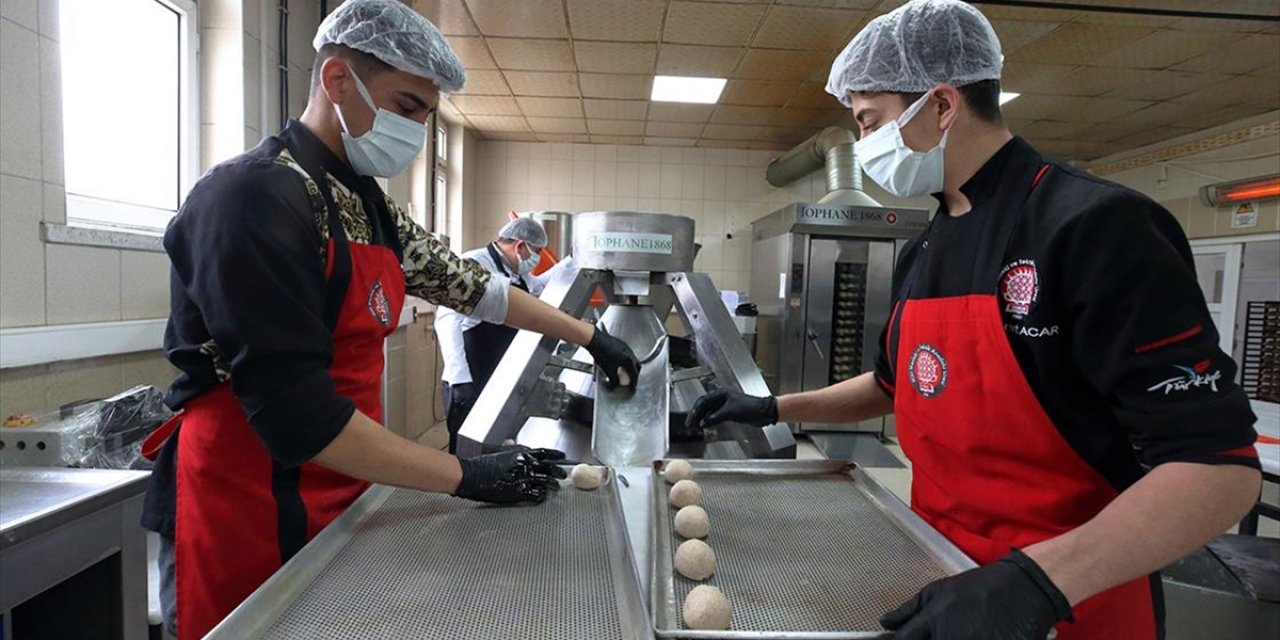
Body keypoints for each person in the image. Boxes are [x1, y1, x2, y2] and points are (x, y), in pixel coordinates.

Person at [686, 1, 1261, 638]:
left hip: (1068, 598)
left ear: (941, 105)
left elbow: (1218, 469)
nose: (868, 143)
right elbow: (892, 386)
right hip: (939, 574)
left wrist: (1039, 581)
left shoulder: (1094, 226)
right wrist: (773, 408)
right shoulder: (926, 245)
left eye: (871, 120)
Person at [139, 2, 640, 637]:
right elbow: (296, 414)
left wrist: (591, 336)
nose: (415, 132)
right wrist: (464, 475)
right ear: (338, 81)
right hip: (246, 494)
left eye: (425, 117)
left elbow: (477, 289)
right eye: (405, 107)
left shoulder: (366, 203)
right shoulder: (253, 198)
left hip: (344, 478)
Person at [435, 215, 561, 453]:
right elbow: (447, 319)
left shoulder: (514, 271)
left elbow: (537, 287)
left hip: (494, 375)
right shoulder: (474, 263)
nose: (534, 261)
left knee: (491, 447)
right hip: (470, 375)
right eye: (535, 253)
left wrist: (570, 263)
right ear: (520, 246)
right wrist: (460, 378)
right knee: (466, 452)